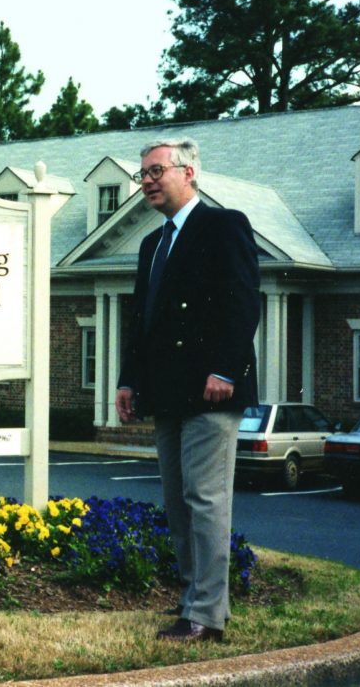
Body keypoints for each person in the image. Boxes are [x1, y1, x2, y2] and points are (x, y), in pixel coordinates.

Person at [115, 138, 260, 642]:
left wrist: (225, 369)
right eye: (143, 175)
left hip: (211, 393)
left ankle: (208, 616)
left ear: (189, 171)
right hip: (166, 393)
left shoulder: (224, 227)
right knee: (178, 501)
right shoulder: (152, 245)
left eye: (156, 171)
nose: (148, 181)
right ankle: (190, 600)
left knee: (205, 499)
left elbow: (244, 304)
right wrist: (129, 378)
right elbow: (143, 321)